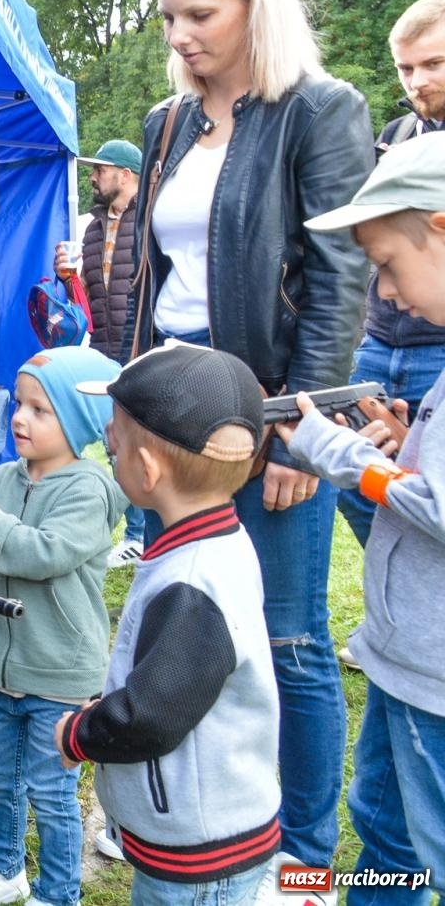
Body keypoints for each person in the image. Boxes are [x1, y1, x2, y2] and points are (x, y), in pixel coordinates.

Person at [119, 0, 373, 868]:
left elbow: (338, 280)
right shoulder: (166, 122)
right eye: (168, 17)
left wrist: (306, 428)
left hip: (268, 414)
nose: (180, 36)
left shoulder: (321, 108)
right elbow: (154, 278)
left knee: (291, 639)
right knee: (177, 617)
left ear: (254, 4)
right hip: (168, 413)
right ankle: (189, 812)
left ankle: (300, 864)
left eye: (200, 14)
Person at [282, 132, 445, 904]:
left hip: (434, 679)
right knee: (383, 826)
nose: (381, 294)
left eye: (386, 264)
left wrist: (340, 454)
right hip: (404, 659)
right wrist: (409, 440)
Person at [57, 341, 280, 905]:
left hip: (200, 855)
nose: (108, 445)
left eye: (115, 442)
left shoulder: (192, 581)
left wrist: (79, 735)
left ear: (148, 470)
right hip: (208, 830)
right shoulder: (219, 540)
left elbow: (151, 717)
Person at [0, 346, 127, 906]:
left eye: (40, 410)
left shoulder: (88, 491)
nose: (19, 417)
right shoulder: (8, 477)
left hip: (60, 671)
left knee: (51, 791)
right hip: (4, 665)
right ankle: (3, 868)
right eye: (19, 404)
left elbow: (37, 555)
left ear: (79, 422)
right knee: (2, 778)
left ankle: (57, 892)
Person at [335, 0, 445, 669]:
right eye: (406, 67)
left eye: (433, 62)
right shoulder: (394, 138)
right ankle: (401, 617)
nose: (418, 80)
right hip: (380, 341)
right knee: (363, 473)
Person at [57, 139, 146, 570]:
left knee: (145, 441)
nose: (93, 177)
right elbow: (85, 302)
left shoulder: (150, 220)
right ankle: (136, 534)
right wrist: (65, 279)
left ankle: (142, 535)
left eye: (100, 170)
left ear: (126, 175)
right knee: (117, 443)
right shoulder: (91, 232)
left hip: (146, 350)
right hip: (107, 350)